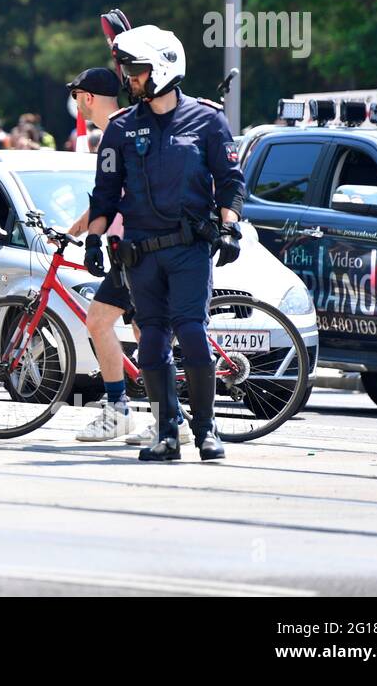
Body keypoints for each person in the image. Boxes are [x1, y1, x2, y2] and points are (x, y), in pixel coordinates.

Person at [87, 25, 245, 462]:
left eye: (134, 70)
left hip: (189, 249)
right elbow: (104, 193)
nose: (127, 79)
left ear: (161, 69)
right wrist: (94, 241)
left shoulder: (208, 120)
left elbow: (231, 184)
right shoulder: (120, 129)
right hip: (139, 253)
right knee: (152, 343)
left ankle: (207, 430)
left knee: (192, 333)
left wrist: (229, 227)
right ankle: (166, 434)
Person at [64, 67, 168, 443]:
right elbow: (109, 195)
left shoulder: (116, 131)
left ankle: (119, 410)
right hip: (137, 245)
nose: (78, 107)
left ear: (88, 97)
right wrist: (80, 227)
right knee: (144, 330)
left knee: (98, 321)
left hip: (135, 248)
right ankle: (167, 417)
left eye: (78, 99)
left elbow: (115, 194)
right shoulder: (132, 125)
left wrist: (89, 231)